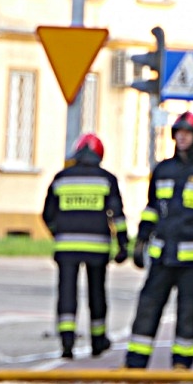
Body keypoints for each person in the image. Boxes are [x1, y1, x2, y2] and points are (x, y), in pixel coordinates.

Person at [124, 112, 193, 369]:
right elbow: (152, 208)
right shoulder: (163, 169)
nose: (181, 137)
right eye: (178, 132)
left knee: (187, 311)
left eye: (187, 133)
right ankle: (136, 361)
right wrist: (141, 240)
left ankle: (182, 364)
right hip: (162, 255)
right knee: (148, 305)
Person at [41, 133, 128, 359]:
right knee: (96, 293)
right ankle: (98, 341)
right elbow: (117, 216)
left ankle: (67, 342)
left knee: (67, 292)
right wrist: (123, 245)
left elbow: (47, 214)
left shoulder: (62, 178)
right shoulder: (107, 179)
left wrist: (58, 232)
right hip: (97, 248)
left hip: (66, 247)